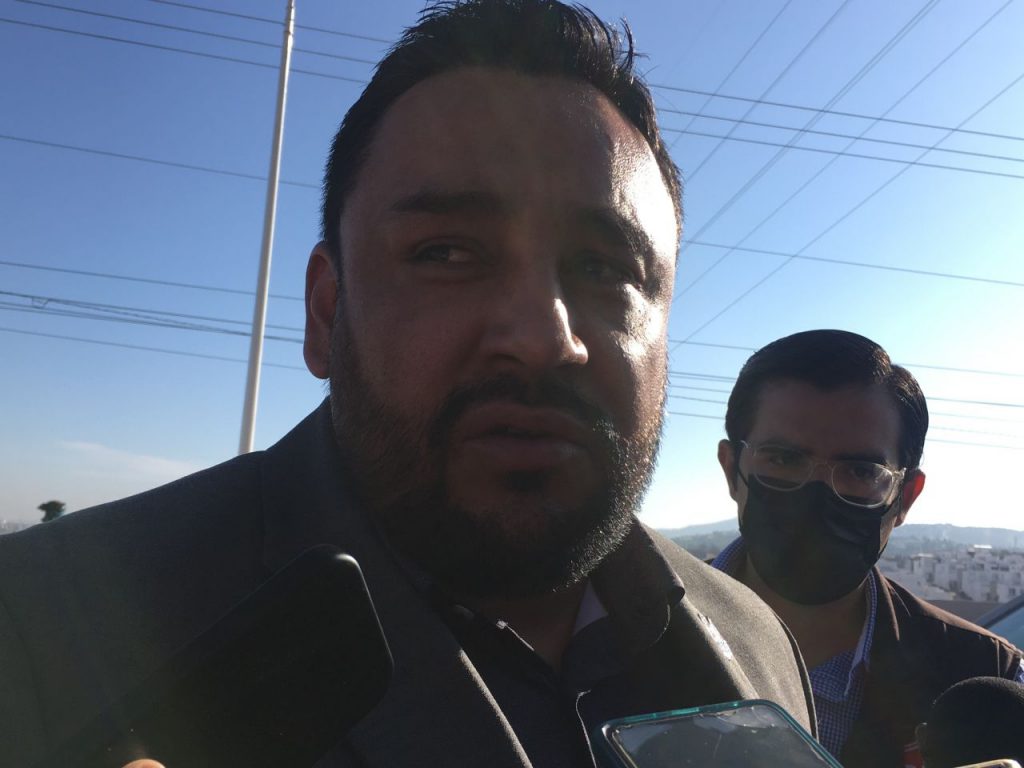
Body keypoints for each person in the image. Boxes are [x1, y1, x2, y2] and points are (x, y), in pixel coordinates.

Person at [0, 3, 817, 766]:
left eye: (606, 268)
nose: (543, 338)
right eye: (447, 253)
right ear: (326, 312)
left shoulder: (759, 644)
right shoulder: (40, 633)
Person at [710, 329, 1024, 768]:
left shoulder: (986, 681)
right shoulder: (620, 630)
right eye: (783, 459)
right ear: (732, 470)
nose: (816, 496)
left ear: (905, 497)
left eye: (860, 471)